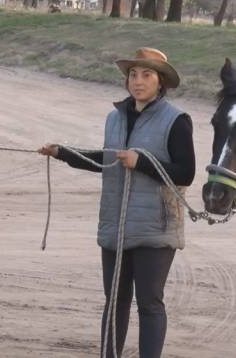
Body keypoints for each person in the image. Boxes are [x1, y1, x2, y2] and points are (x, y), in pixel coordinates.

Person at [39, 47, 195, 358]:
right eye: (133, 75)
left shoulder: (177, 120)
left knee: (150, 303)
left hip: (155, 227)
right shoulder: (115, 118)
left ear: (160, 82)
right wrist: (64, 153)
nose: (138, 81)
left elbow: (186, 172)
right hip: (115, 226)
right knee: (114, 302)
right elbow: (106, 160)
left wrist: (143, 162)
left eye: (146, 75)